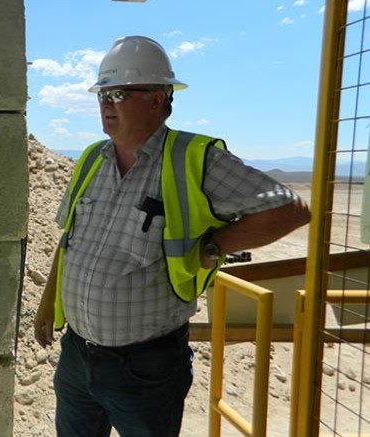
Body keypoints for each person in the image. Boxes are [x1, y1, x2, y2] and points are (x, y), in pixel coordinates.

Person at [33, 36, 311, 437]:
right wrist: (47, 304)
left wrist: (215, 247)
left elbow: (289, 209)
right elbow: (70, 239)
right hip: (78, 356)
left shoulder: (193, 159)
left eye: (117, 93)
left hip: (146, 367)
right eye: (102, 94)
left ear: (157, 99)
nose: (105, 104)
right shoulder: (93, 159)